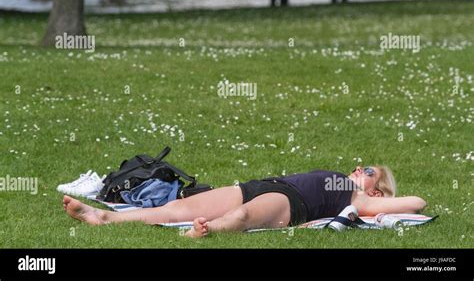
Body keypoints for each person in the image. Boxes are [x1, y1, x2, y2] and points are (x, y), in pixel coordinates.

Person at [63, 166, 427, 238]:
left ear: (377, 191)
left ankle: (207, 232)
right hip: (261, 184)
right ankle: (105, 218)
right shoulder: (348, 181)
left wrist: (376, 197)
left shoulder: (362, 200)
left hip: (290, 202)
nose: (359, 168)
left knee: (243, 217)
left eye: (369, 172)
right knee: (176, 209)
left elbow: (417, 202)